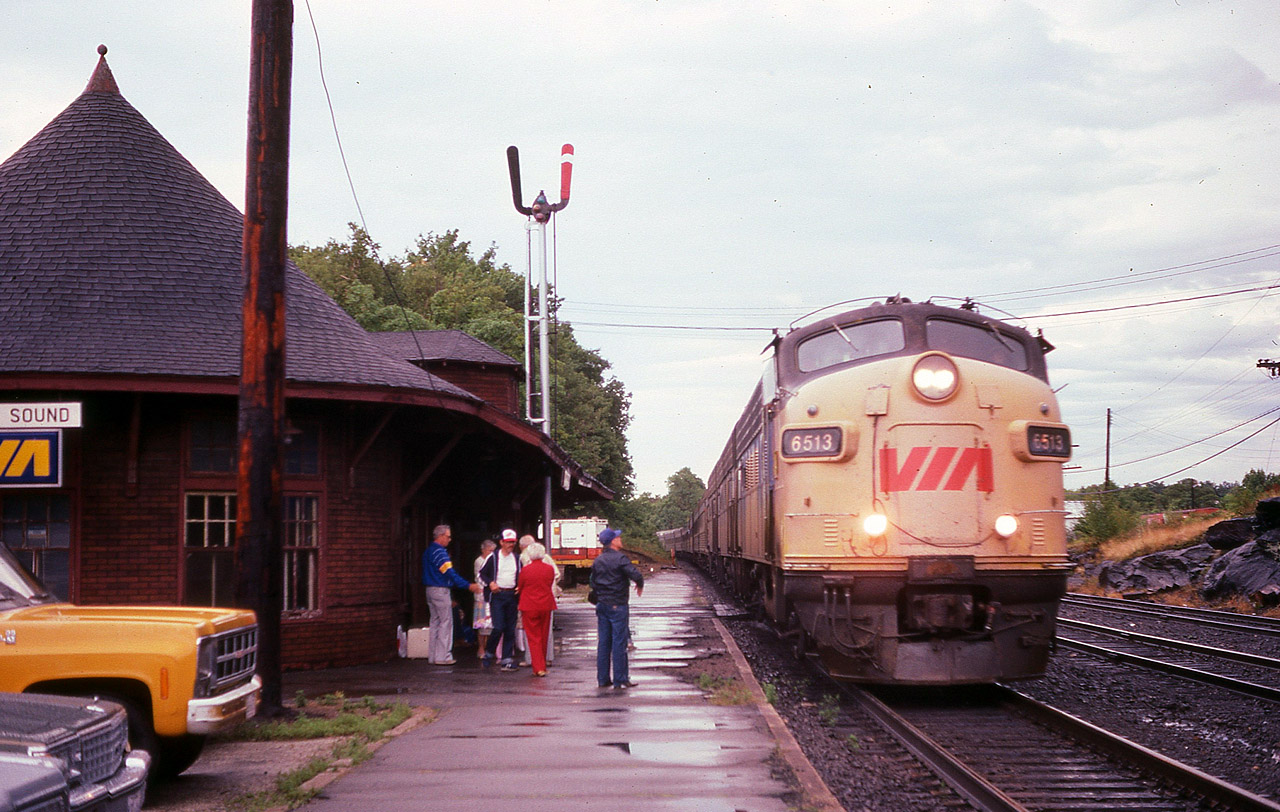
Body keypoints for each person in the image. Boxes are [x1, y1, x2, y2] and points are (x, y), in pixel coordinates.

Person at [589, 527, 643, 689]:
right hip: (617, 605)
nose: (620, 539)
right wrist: (639, 585)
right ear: (613, 541)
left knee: (604, 643)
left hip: (602, 605)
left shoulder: (598, 560)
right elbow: (636, 575)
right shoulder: (620, 558)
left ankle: (603, 679)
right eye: (617, 537)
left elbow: (592, 582)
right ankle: (620, 679)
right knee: (619, 643)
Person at [421, 524, 483, 665]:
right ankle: (443, 657)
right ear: (441, 536)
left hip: (429, 590)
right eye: (448, 537)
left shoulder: (428, 551)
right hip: (440, 590)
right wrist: (468, 585)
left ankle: (433, 656)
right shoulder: (440, 553)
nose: (449, 539)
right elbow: (450, 573)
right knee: (445, 623)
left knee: (435, 622)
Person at [479, 528, 522, 671]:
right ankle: (489, 653)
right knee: (498, 627)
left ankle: (506, 660)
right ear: (501, 542)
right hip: (498, 595)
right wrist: (491, 583)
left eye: (513, 542)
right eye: (508, 542)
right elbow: (482, 574)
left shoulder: (517, 558)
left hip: (511, 595)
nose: (511, 545)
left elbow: (521, 575)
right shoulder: (493, 557)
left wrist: (519, 587)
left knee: (510, 628)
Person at [517, 542, 558, 677]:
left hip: (529, 605)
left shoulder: (526, 570)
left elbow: (521, 586)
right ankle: (543, 665)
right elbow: (549, 583)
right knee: (544, 635)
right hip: (546, 604)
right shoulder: (549, 569)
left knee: (533, 638)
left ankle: (538, 667)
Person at [472, 539, 496, 658]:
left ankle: (490, 648)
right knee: (481, 624)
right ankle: (481, 648)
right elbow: (480, 578)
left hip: (491, 595)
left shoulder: (493, 560)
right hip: (481, 595)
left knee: (491, 624)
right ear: (483, 550)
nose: (492, 553)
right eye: (489, 550)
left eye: (493, 551)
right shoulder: (479, 561)